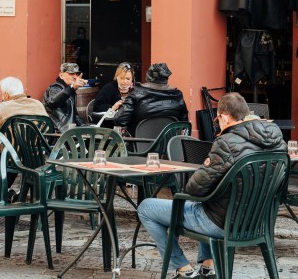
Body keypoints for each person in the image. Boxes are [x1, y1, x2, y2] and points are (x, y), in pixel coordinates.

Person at [137, 92, 286, 278]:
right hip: (257, 222)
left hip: (221, 223)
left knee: (146, 207)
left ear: (223, 117)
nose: (217, 123)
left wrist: (203, 169)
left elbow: (194, 189)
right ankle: (208, 268)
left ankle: (182, 268)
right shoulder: (277, 141)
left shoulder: (226, 143)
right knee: (212, 200)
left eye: (217, 119)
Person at [114, 62, 188, 131]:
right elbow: (183, 125)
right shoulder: (177, 95)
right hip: (169, 142)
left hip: (141, 142)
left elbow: (120, 120)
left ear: (148, 77)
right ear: (166, 79)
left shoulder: (136, 94)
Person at [43, 62, 87, 131]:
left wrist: (86, 126)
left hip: (68, 131)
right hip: (57, 132)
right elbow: (53, 102)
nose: (75, 76)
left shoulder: (69, 89)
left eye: (77, 74)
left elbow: (74, 115)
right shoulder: (55, 87)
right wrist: (72, 88)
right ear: (61, 75)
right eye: (71, 74)